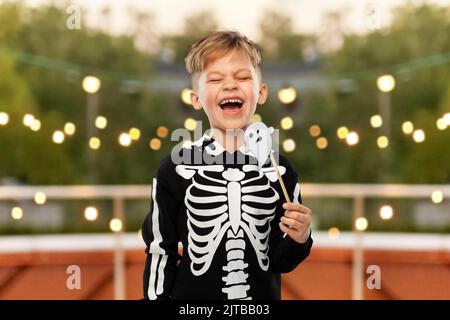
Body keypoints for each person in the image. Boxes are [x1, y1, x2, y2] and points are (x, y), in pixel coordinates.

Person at [142, 30, 313, 300]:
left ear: (261, 92)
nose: (230, 85)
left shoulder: (279, 169)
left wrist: (300, 236)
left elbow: (280, 261)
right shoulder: (175, 169)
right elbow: (160, 251)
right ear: (195, 99)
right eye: (215, 79)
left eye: (243, 77)